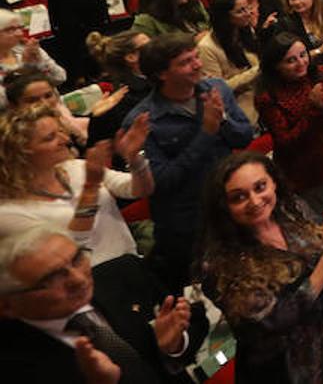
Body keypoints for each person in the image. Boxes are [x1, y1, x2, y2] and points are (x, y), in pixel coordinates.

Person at [196, 152, 323, 383]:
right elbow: (277, 318)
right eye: (239, 197)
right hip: (282, 368)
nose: (254, 201)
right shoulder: (217, 263)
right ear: (224, 206)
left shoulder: (292, 210)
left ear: (274, 182)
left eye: (260, 187)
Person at [121, 33, 254, 290]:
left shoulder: (218, 90)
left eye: (195, 57)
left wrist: (223, 120)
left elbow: (244, 137)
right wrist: (206, 133)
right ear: (162, 74)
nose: (197, 65)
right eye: (185, 62)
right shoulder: (143, 121)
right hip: (190, 227)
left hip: (233, 209)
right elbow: (162, 182)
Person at [0, 225, 205, 384]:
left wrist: (175, 346)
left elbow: (196, 320)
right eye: (51, 278)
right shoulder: (12, 365)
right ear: (8, 305)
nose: (78, 279)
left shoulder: (123, 272)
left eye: (77, 258)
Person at [0, 105, 152, 266]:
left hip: (127, 262)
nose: (65, 139)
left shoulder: (76, 167)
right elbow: (70, 247)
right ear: (21, 152)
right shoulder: (8, 211)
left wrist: (134, 159)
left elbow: (140, 190)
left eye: (60, 131)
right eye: (50, 137)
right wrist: (91, 187)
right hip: (83, 282)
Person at [254, 33, 323, 210]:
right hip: (301, 173)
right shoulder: (268, 95)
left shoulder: (320, 74)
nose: (301, 63)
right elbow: (285, 141)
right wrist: (313, 109)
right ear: (276, 66)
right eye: (290, 61)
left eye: (303, 55)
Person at [197, 0, 262, 123]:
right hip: (240, 105)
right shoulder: (206, 48)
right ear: (225, 17)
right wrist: (257, 71)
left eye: (248, 8)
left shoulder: (245, 30)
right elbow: (217, 89)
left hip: (260, 91)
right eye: (240, 11)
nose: (248, 13)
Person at [84, 30, 153, 144]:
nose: (156, 47)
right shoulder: (126, 98)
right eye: (148, 46)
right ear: (131, 57)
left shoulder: (161, 76)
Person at [0, 7, 66, 96]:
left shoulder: (27, 48)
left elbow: (59, 78)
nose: (19, 33)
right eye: (11, 29)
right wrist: (25, 68)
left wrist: (40, 62)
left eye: (20, 28)